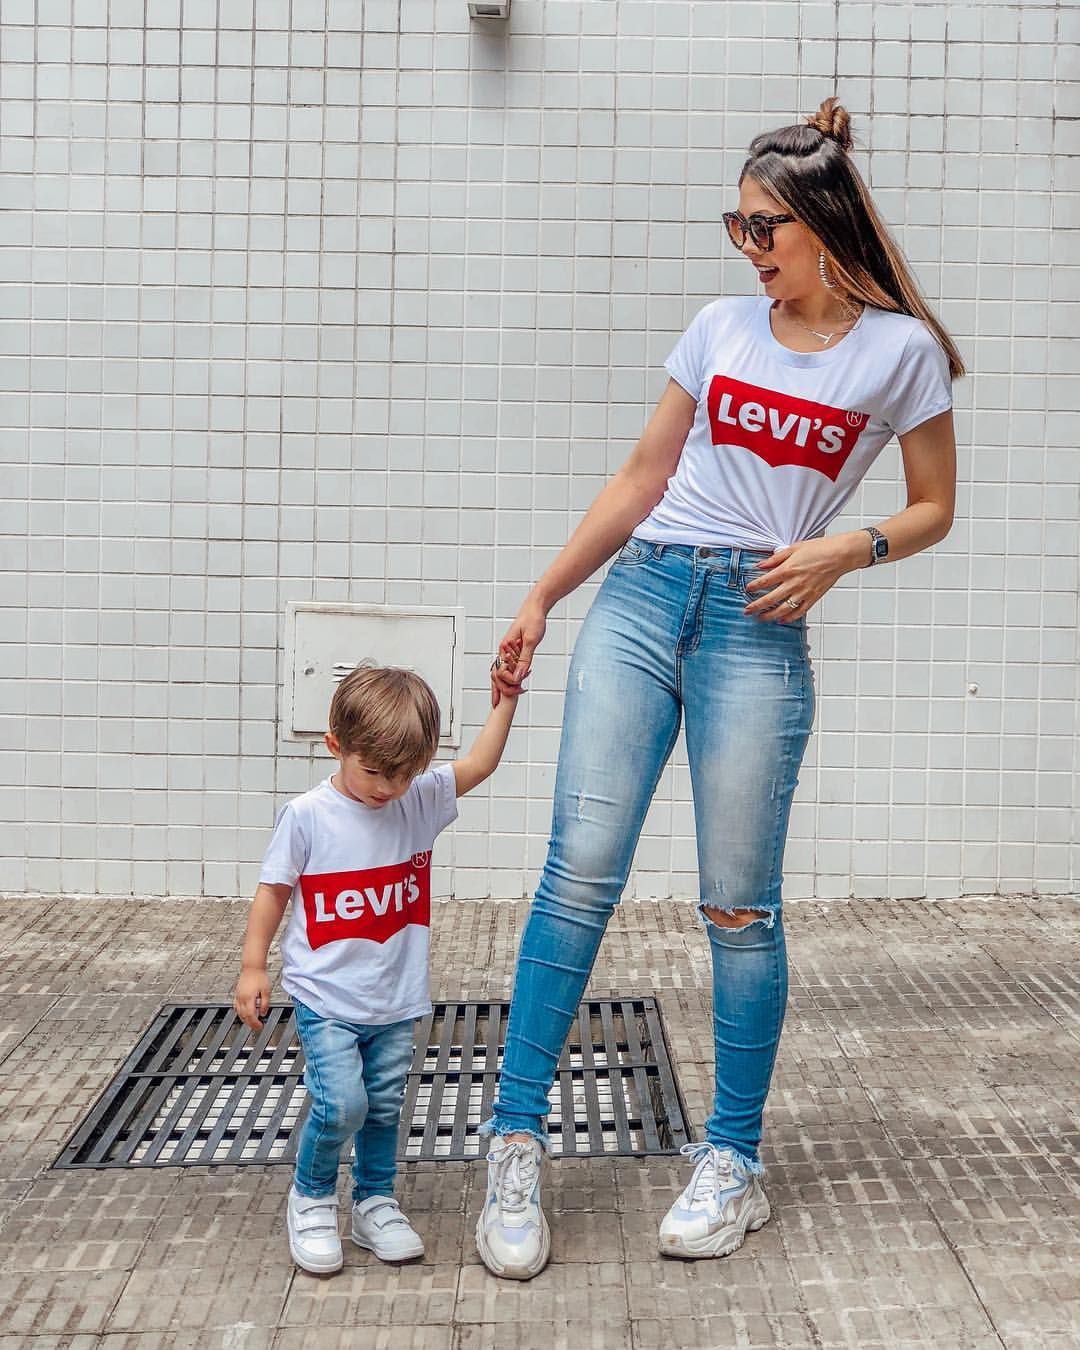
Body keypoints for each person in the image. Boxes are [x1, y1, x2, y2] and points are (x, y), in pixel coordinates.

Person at [475, 97, 963, 1280]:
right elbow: (646, 474)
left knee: (739, 907)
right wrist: (544, 593)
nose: (747, 248)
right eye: (737, 224)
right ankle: (513, 1138)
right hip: (642, 599)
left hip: (756, 626)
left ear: (822, 223)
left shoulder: (898, 352)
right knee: (576, 875)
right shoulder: (717, 327)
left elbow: (936, 506)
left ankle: (732, 1159)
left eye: (764, 227)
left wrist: (850, 549)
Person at [234, 656, 520, 1274]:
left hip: (396, 998)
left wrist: (505, 700)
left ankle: (374, 1203)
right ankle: (311, 1198)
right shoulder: (308, 816)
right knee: (341, 1104)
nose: (388, 787)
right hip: (326, 997)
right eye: (374, 771)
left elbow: (480, 763)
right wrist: (252, 966)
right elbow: (273, 890)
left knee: (385, 1106)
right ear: (335, 744)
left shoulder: (416, 802)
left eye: (404, 773)